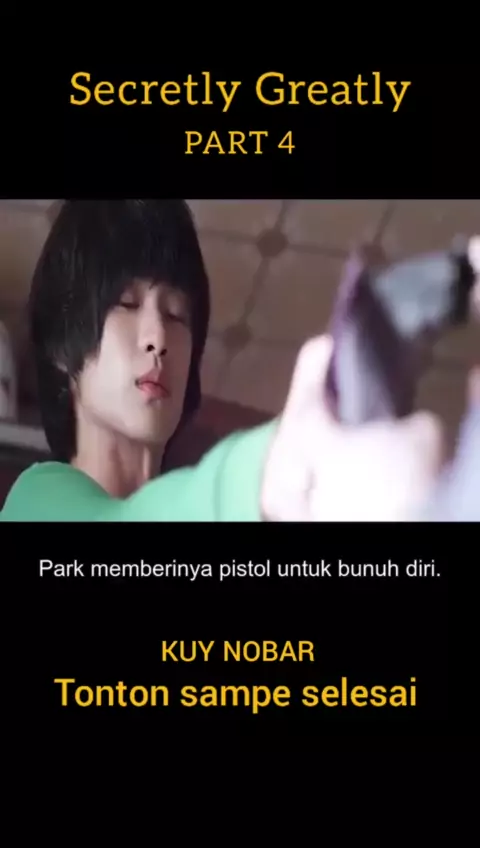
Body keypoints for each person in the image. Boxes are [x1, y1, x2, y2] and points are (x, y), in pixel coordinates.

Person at [0, 200, 459, 522]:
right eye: (126, 303)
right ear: (61, 348)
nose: (158, 337)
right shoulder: (32, 502)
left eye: (176, 314)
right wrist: (289, 467)